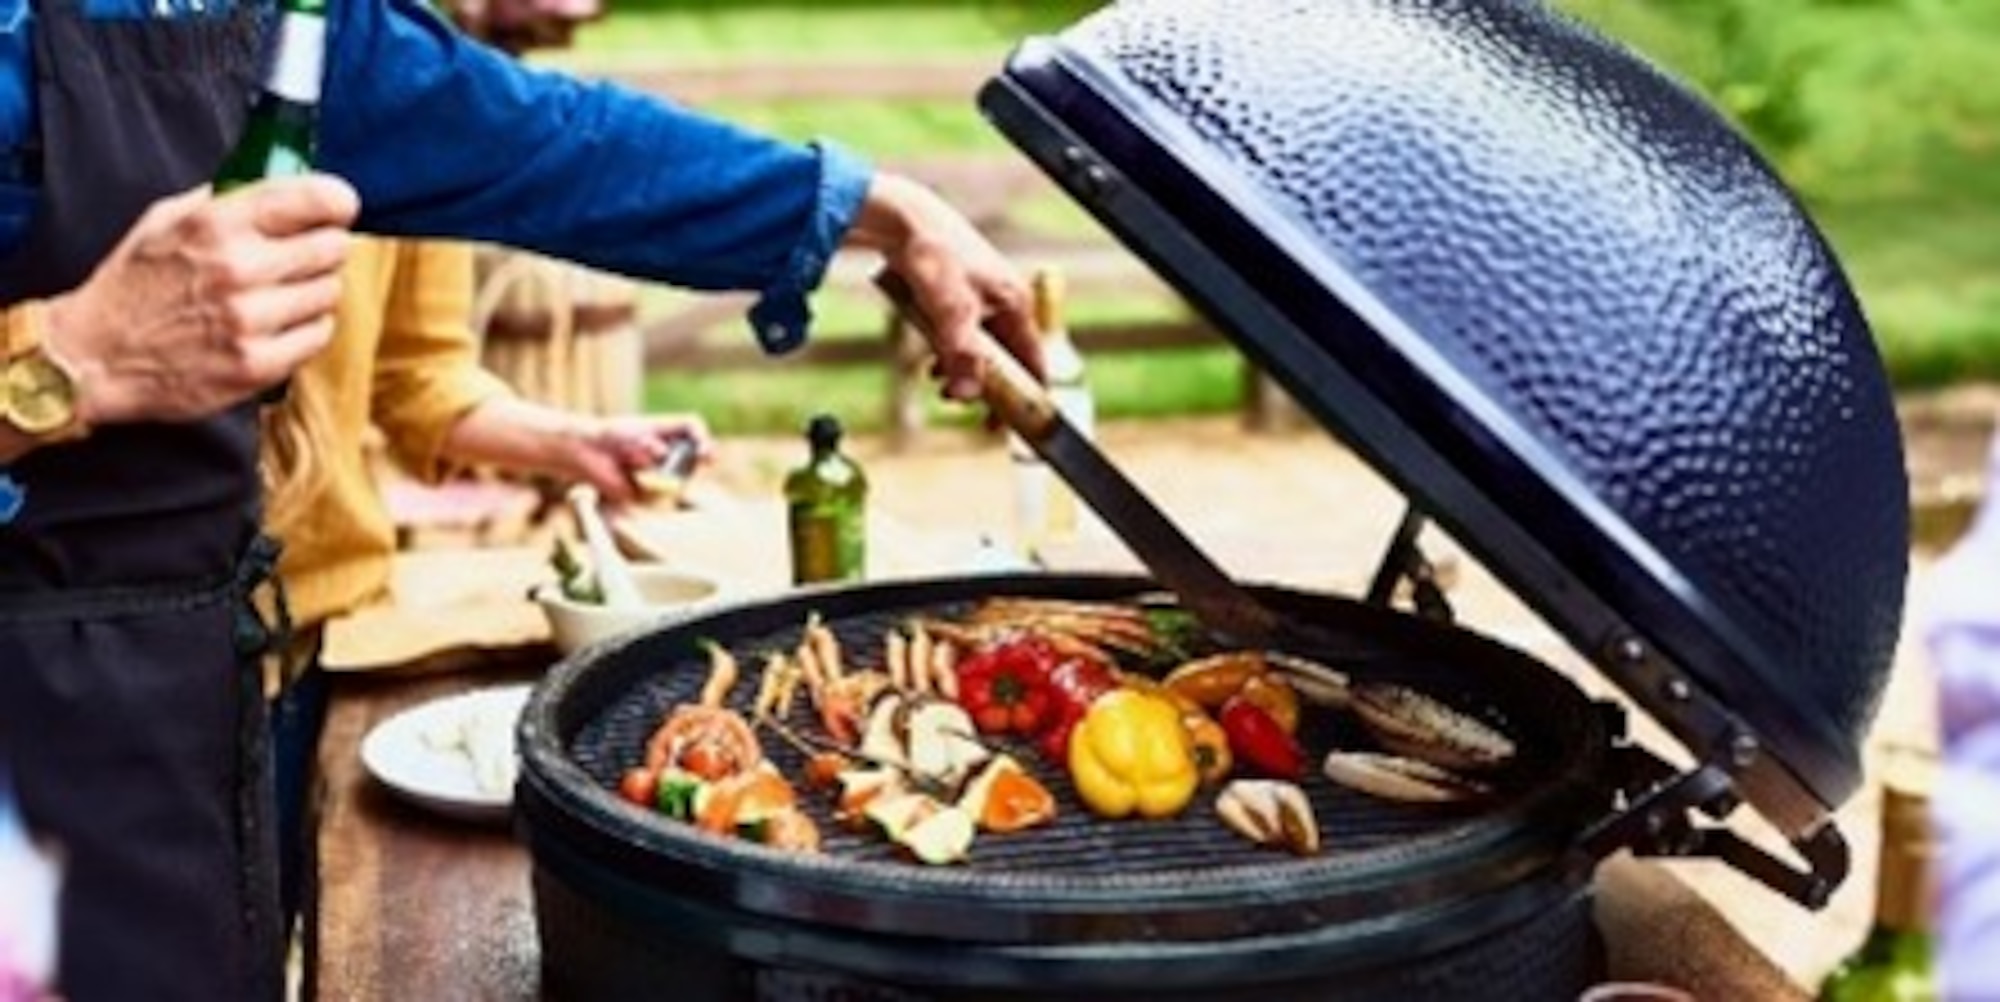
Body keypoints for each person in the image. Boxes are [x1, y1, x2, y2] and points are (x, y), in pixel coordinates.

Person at [0, 4, 1039, 999]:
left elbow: (546, 142)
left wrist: (869, 207)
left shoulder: (283, 19)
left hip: (174, 709)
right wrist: (68, 360)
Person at [258, 236, 709, 933]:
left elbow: (420, 370)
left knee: (267, 931)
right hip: (118, 644)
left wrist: (580, 445)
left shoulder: (404, 147)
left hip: (317, 638)